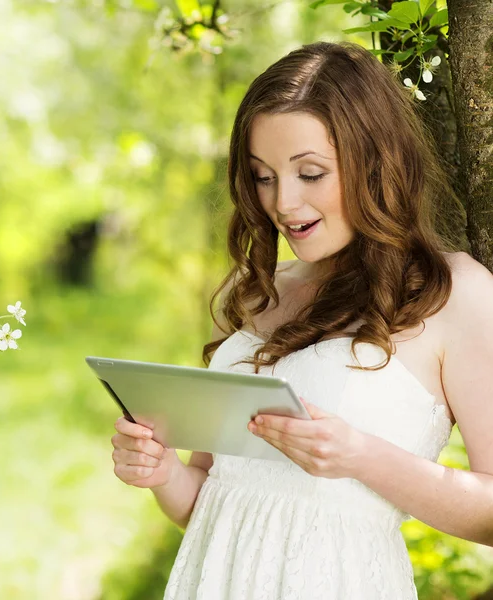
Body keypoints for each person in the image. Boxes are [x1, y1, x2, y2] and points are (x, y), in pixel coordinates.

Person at [110, 41, 493, 599]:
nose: (283, 203)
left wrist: (359, 456)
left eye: (310, 173)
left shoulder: (456, 294)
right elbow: (215, 507)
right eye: (263, 176)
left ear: (376, 162)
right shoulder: (259, 294)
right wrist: (160, 471)